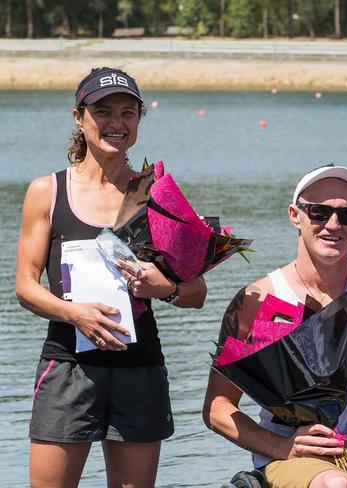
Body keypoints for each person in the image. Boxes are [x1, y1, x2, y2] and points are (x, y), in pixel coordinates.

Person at [15, 67, 207, 488]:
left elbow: (197, 292)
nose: (116, 124)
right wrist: (74, 314)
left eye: (128, 112)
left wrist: (167, 289)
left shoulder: (156, 194)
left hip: (139, 368)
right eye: (103, 111)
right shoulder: (46, 191)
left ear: (140, 118)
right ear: (78, 117)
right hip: (68, 366)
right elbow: (25, 286)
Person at [204, 165, 347, 488]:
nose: (333, 224)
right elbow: (218, 407)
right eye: (319, 212)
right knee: (334, 484)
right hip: (291, 454)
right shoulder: (257, 299)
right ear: (294, 215)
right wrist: (282, 447)